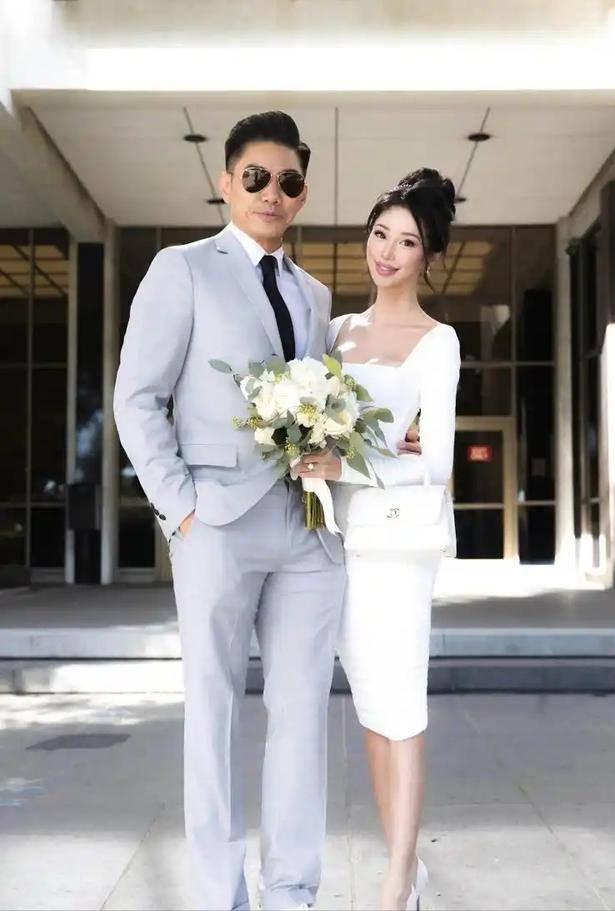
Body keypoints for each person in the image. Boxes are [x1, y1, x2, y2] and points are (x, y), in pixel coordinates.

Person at [113, 109, 420, 911]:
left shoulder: (313, 293)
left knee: (302, 718)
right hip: (214, 521)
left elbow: (326, 403)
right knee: (213, 714)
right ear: (226, 182)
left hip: (306, 530)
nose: (271, 192)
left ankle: (291, 890)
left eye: (288, 181)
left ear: (302, 192)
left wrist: (371, 443)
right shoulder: (181, 269)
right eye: (255, 176)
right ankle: (221, 895)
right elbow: (137, 398)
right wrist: (181, 510)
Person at [298, 168, 461, 911]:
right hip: (336, 541)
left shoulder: (438, 341)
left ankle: (396, 881)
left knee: (402, 704)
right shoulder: (335, 332)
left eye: (407, 242)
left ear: (428, 255)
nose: (387, 252)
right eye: (380, 234)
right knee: (369, 702)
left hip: (396, 550)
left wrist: (350, 463)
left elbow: (437, 464)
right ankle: (408, 864)